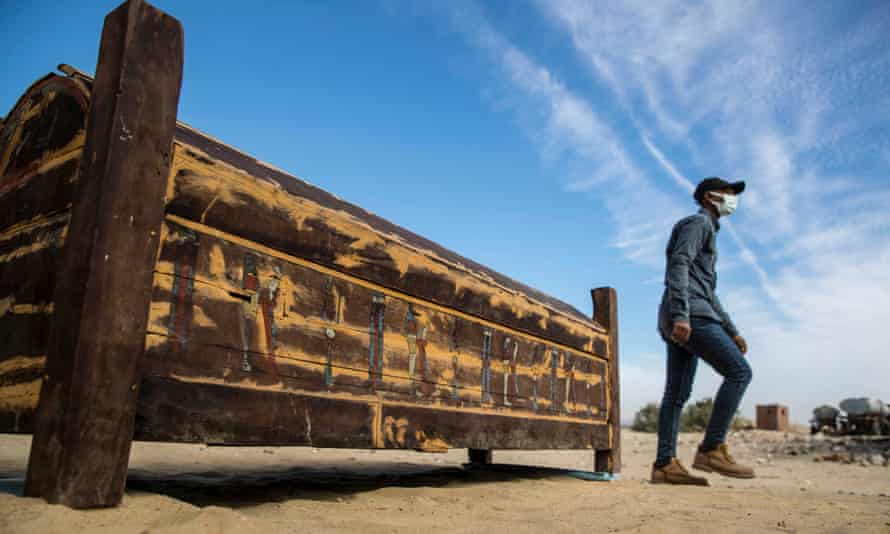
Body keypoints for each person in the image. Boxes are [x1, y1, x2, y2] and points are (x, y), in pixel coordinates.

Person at [651, 177, 755, 486]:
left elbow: (709, 291)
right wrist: (682, 314)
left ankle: (665, 465)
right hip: (690, 314)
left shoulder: (707, 229)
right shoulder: (698, 223)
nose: (733, 199)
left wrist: (731, 330)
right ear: (710, 197)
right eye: (728, 193)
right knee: (739, 373)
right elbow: (679, 264)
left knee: (677, 393)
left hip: (686, 311)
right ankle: (711, 449)